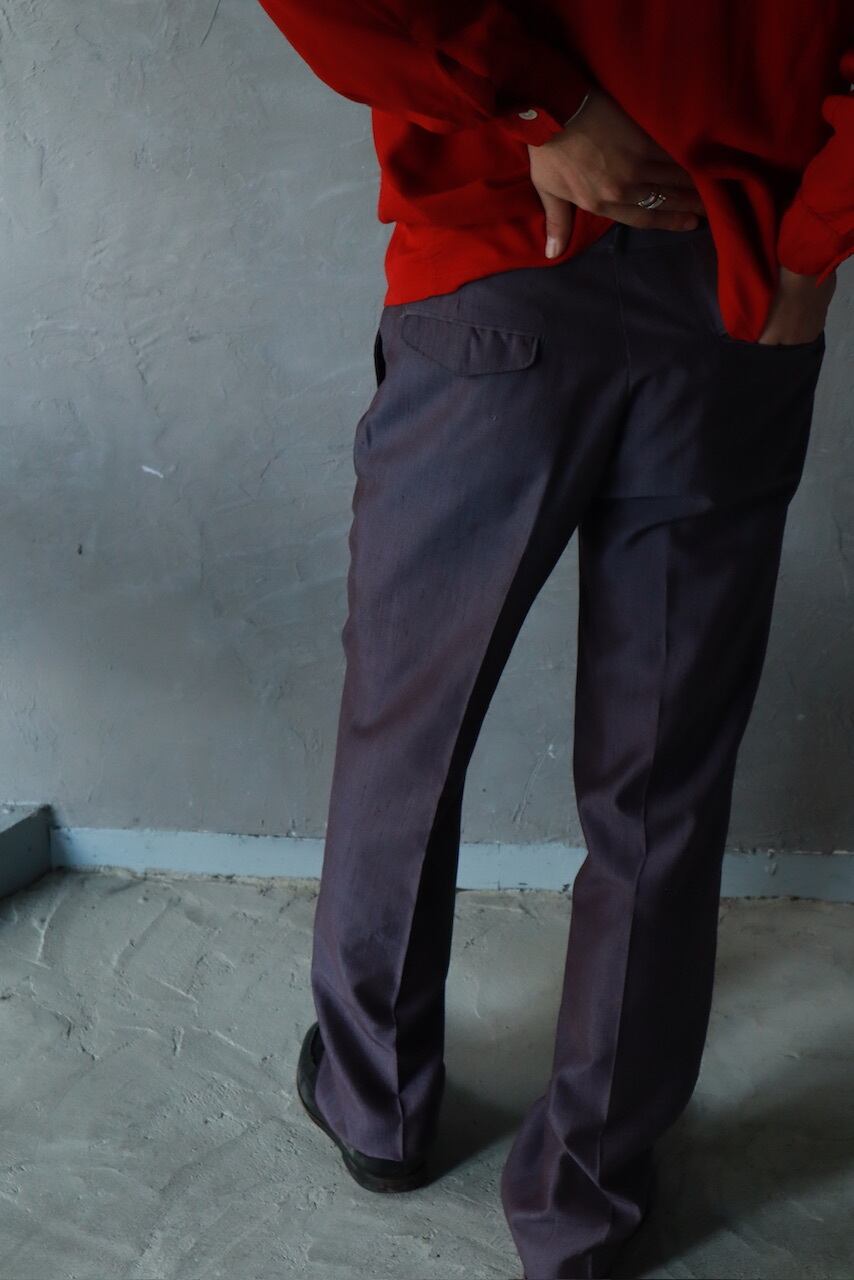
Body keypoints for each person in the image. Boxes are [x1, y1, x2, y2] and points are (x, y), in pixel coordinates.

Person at [254, 3, 852, 1277]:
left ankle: (374, 1101)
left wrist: (542, 107)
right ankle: (585, 1195)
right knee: (658, 778)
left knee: (407, 725)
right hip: (732, 289)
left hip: (497, 267)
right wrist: (805, 247)